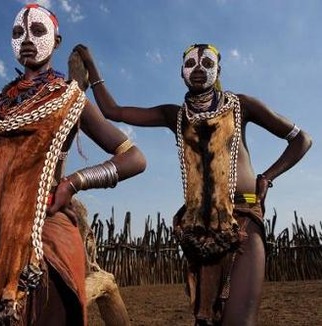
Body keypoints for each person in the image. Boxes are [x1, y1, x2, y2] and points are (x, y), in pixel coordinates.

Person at [0, 4, 146, 326]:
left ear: (56, 41)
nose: (27, 38)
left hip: (45, 225)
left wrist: (72, 184)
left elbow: (133, 157)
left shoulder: (69, 98)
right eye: (18, 32)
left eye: (38, 31)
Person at [73, 43, 312, 325]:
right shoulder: (174, 115)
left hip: (245, 216)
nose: (198, 69)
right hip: (199, 228)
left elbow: (301, 140)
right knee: (207, 319)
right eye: (191, 64)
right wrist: (89, 62)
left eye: (207, 64)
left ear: (218, 70)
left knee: (239, 320)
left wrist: (267, 177)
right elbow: (114, 111)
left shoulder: (240, 105)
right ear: (181, 73)